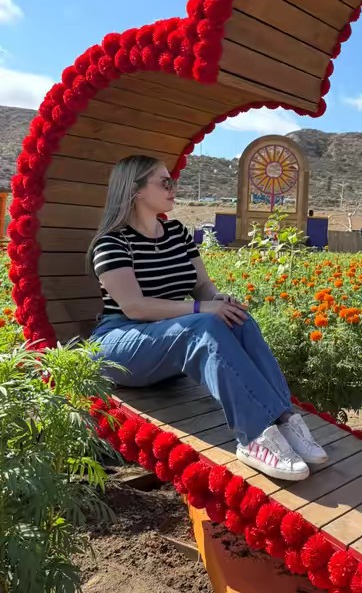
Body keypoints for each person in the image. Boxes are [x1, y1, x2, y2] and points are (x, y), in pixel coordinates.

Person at [87, 155, 326, 482]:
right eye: (165, 182)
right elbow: (134, 308)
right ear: (136, 190)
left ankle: (285, 419)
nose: (173, 187)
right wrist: (201, 309)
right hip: (119, 344)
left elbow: (201, 286)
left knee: (236, 318)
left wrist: (216, 300)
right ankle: (254, 436)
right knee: (203, 323)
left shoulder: (176, 233)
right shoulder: (112, 243)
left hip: (166, 338)